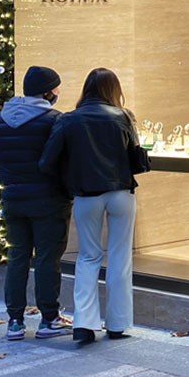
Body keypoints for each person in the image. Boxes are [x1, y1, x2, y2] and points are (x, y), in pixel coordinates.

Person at [40, 67, 149, 344]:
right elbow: (137, 160)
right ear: (114, 90)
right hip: (120, 192)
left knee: (88, 257)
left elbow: (47, 162)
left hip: (86, 195)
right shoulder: (123, 116)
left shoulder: (68, 120)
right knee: (119, 256)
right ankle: (117, 324)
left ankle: (84, 325)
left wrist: (71, 179)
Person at [0, 65, 73, 341]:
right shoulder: (53, 121)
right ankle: (49, 318)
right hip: (48, 200)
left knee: (17, 258)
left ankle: (14, 321)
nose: (58, 93)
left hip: (13, 198)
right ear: (48, 91)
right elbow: (62, 162)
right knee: (48, 258)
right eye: (56, 88)